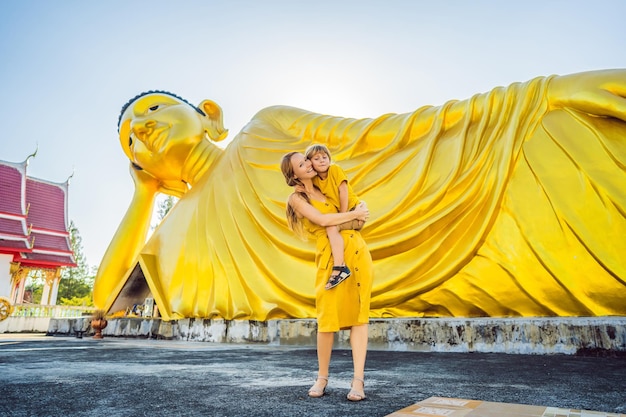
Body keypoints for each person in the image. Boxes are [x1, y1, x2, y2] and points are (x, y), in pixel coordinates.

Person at [93, 69, 626, 322]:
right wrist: (145, 194)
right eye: (129, 141)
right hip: (359, 292)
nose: (141, 128)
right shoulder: (170, 233)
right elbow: (104, 304)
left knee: (560, 136)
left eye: (153, 109)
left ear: (210, 117)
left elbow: (385, 136)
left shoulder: (265, 129)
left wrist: (531, 95)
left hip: (431, 227)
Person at [281, 151, 372, 401]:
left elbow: (354, 213)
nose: (309, 164)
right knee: (327, 319)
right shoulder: (296, 199)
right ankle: (322, 377)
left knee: (358, 316)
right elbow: (322, 219)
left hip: (356, 251)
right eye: (301, 164)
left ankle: (358, 381)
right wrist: (355, 214)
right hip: (329, 257)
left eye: (306, 160)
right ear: (293, 175)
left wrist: (357, 213)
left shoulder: (327, 183)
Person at [305, 143, 363, 290]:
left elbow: (343, 191)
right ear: (310, 162)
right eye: (317, 158)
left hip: (354, 211)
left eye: (325, 157)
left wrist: (344, 215)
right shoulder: (315, 180)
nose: (322, 160)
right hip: (345, 215)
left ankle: (340, 268)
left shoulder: (335, 170)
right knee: (330, 227)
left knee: (331, 227)